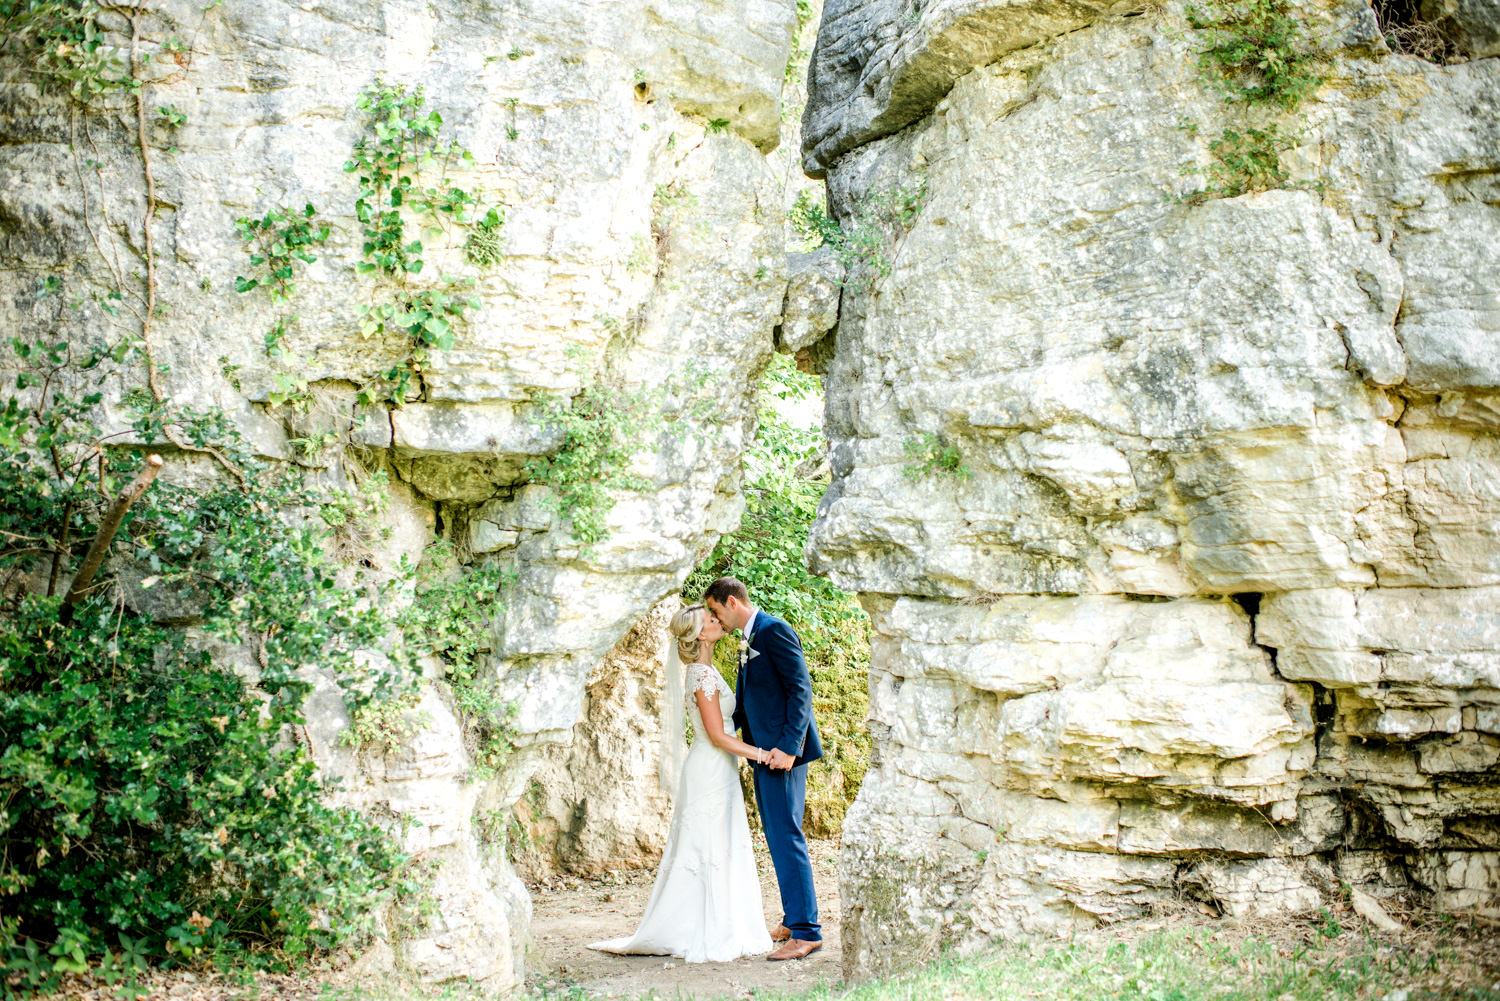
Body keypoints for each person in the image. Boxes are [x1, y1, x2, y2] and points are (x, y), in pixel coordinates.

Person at [587, 603, 775, 963]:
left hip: (718, 767)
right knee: (705, 845)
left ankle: (725, 920)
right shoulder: (700, 676)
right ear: (701, 635)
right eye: (710, 619)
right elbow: (718, 736)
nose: (717, 620)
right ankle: (700, 927)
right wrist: (761, 753)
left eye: (715, 616)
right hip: (710, 766)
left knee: (720, 842)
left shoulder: (705, 670)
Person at [703, 576, 824, 962]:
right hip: (763, 752)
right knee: (775, 834)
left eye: (716, 610)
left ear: (733, 602)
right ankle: (793, 918)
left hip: (780, 754)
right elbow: (753, 697)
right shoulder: (750, 637)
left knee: (786, 835)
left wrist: (789, 748)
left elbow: (800, 689)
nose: (715, 617)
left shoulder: (774, 631)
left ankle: (807, 932)